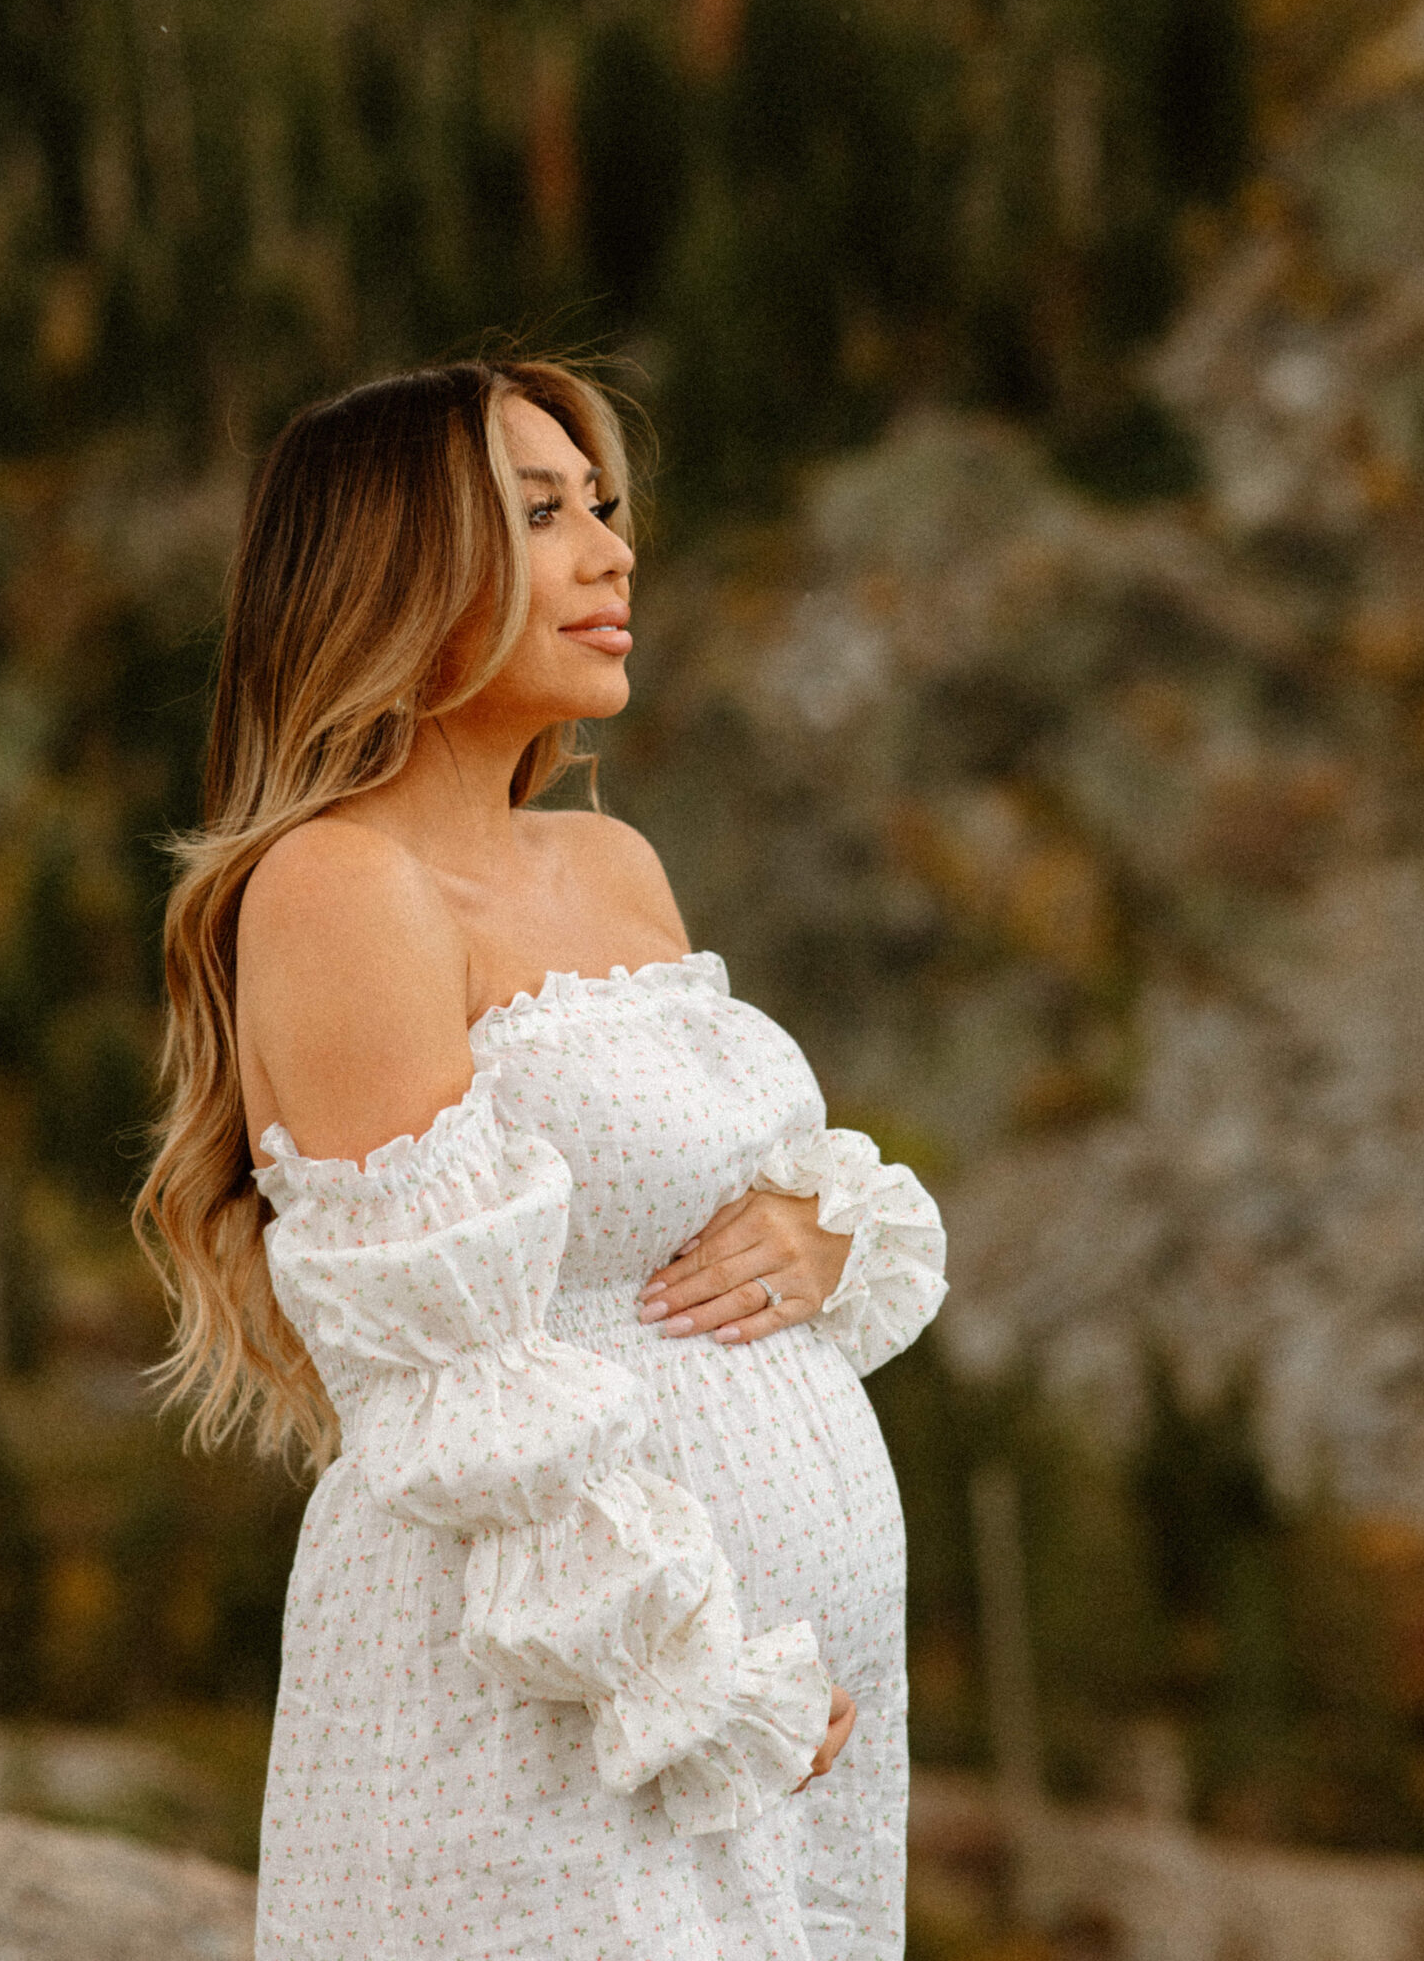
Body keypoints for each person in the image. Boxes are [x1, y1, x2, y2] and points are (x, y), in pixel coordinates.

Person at [137, 357, 947, 1961]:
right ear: (398, 572)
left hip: (795, 1715)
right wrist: (702, 1681)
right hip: (555, 1701)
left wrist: (826, 1231)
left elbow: (747, 1189)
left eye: (603, 505)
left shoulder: (613, 862)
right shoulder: (337, 890)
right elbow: (451, 1385)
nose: (609, 549)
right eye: (540, 512)